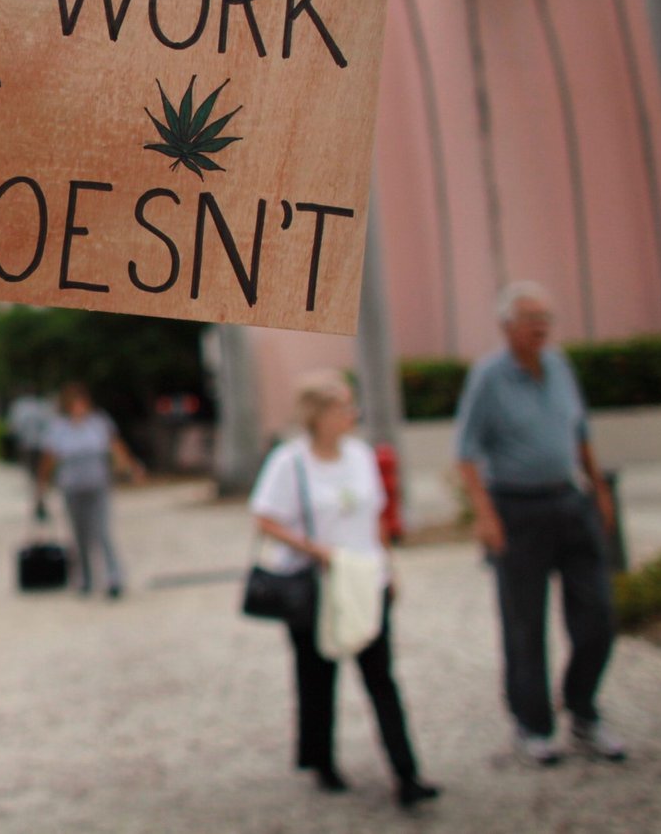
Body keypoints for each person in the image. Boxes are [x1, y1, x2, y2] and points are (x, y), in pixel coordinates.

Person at [455, 281, 626, 766]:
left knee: (598, 617)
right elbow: (465, 453)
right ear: (506, 325)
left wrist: (599, 489)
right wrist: (485, 516)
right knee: (525, 625)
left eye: (546, 316)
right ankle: (532, 726)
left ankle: (583, 709)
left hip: (571, 504)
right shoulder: (488, 377)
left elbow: (581, 432)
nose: (541, 325)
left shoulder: (560, 366)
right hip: (516, 510)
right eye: (531, 317)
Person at [250, 371, 439, 809]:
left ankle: (406, 773)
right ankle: (320, 760)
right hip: (316, 585)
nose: (351, 415)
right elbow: (264, 518)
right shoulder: (290, 461)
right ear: (318, 414)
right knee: (317, 677)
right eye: (342, 407)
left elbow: (376, 518)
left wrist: (388, 568)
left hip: (363, 580)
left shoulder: (359, 456)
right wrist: (315, 550)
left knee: (381, 677)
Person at [34, 382, 144, 599]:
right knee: (80, 535)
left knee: (102, 532)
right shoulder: (59, 428)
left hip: (97, 486)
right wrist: (42, 486)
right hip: (72, 488)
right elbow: (49, 459)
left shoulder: (98, 423)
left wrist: (131, 467)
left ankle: (114, 577)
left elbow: (115, 446)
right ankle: (84, 578)